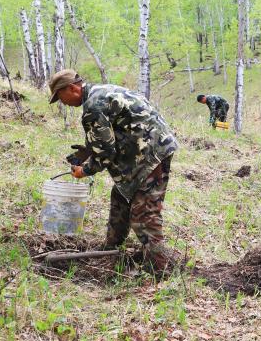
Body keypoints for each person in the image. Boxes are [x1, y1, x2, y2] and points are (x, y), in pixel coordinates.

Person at [49, 69, 179, 274]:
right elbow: (113, 130)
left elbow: (106, 152)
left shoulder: (93, 105)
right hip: (150, 146)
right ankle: (111, 248)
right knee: (120, 195)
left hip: (149, 154)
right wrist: (88, 150)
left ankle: (159, 271)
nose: (61, 102)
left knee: (143, 213)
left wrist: (85, 170)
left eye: (60, 97)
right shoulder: (101, 91)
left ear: (72, 88)